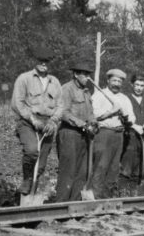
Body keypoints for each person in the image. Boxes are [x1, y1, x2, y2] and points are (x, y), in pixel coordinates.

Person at [11, 46, 62, 196]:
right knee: (32, 151)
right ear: (35, 61)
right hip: (28, 122)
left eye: (46, 61)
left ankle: (31, 194)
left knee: (41, 166)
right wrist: (32, 119)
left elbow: (61, 105)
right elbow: (17, 103)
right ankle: (27, 180)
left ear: (50, 63)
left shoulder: (55, 82)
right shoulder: (24, 79)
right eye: (41, 61)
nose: (43, 64)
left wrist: (53, 121)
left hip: (48, 125)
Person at [55, 61, 98, 202]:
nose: (87, 77)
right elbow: (63, 112)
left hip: (84, 136)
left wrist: (94, 123)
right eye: (84, 74)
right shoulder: (67, 89)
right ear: (75, 74)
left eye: (88, 74)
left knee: (82, 172)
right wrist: (82, 124)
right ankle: (60, 205)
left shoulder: (86, 92)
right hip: (69, 133)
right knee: (68, 171)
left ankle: (73, 204)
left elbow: (90, 113)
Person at [91, 69, 137, 198]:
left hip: (119, 135)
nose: (116, 83)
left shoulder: (124, 98)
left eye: (119, 81)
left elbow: (132, 117)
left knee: (114, 168)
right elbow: (93, 116)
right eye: (114, 80)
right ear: (108, 81)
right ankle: (96, 197)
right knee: (101, 165)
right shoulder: (99, 95)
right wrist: (111, 111)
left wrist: (127, 117)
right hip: (103, 133)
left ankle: (108, 198)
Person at [120, 74, 144, 190]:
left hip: (143, 137)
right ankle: (122, 191)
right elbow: (121, 117)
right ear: (132, 85)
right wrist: (134, 126)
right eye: (136, 85)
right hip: (129, 136)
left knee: (139, 164)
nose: (139, 88)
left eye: (142, 85)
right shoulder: (126, 98)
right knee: (127, 164)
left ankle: (134, 191)